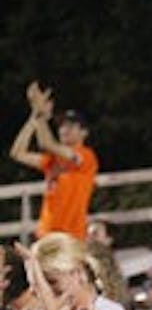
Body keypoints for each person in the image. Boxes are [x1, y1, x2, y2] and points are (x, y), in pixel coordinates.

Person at [9, 82, 98, 240]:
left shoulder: (86, 156)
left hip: (72, 235)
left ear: (84, 132)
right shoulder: (52, 159)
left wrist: (40, 115)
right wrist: (34, 116)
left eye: (71, 126)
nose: (64, 129)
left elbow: (46, 143)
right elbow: (17, 153)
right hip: (46, 233)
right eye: (62, 126)